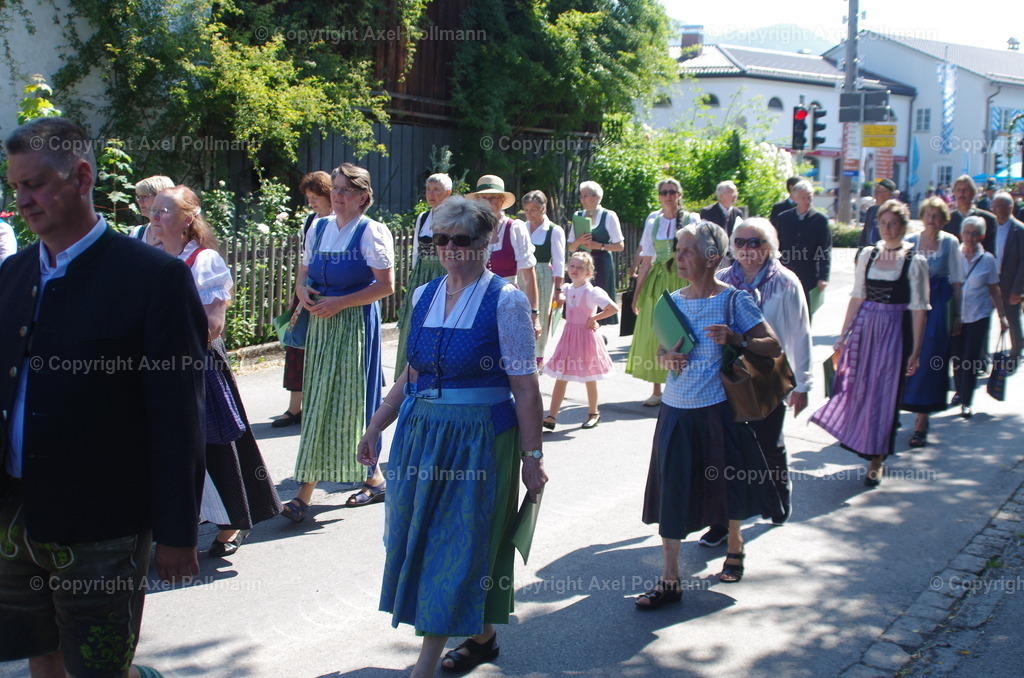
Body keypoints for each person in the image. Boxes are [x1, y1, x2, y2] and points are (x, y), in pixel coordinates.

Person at [0, 117, 206, 677]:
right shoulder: (12, 274)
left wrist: (178, 532)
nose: (22, 199)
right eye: (15, 186)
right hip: (14, 511)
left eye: (35, 184)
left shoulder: (153, 279)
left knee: (98, 669)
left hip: (103, 521)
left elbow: (177, 415)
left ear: (82, 177)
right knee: (39, 652)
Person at [356, 197, 547, 677]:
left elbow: (525, 387)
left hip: (479, 439)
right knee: (417, 536)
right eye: (440, 239)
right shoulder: (423, 295)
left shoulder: (506, 300)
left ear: (486, 243)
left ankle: (424, 665)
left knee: (457, 543)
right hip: (421, 434)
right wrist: (377, 424)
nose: (450, 248)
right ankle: (482, 637)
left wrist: (532, 456)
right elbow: (413, 372)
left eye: (461, 239)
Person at [637, 221, 783, 608]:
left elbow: (772, 345)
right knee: (672, 493)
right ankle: (670, 579)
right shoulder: (672, 301)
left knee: (726, 486)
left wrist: (737, 338)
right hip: (676, 410)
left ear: (712, 257)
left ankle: (735, 546)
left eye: (687, 250)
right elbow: (661, 352)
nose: (679, 256)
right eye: (678, 250)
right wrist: (667, 357)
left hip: (718, 410)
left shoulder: (734, 300)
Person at [149, 185, 282, 554]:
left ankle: (231, 524)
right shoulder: (153, 256)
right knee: (167, 448)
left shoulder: (203, 261)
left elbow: (212, 326)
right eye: (153, 209)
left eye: (164, 210)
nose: (154, 216)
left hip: (197, 363)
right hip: (159, 365)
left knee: (215, 444)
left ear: (188, 219)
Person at [281, 163, 395, 521]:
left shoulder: (371, 231)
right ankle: (370, 479)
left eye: (347, 190)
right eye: (336, 188)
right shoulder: (318, 227)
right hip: (321, 327)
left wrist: (341, 302)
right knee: (319, 402)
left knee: (352, 404)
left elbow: (386, 286)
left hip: (354, 325)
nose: (338, 195)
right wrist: (302, 291)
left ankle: (328, 487)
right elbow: (303, 274)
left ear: (363, 197)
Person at [811, 200, 929, 487]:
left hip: (894, 330)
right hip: (865, 327)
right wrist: (843, 336)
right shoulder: (868, 254)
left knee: (885, 393)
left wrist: (915, 351)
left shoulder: (915, 260)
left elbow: (919, 309)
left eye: (893, 223)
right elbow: (857, 296)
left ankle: (877, 459)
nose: (887, 229)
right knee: (860, 388)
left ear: (903, 226)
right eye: (883, 223)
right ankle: (862, 439)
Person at [715, 217, 813, 526]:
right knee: (729, 447)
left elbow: (800, 333)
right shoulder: (721, 279)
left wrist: (802, 384)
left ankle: (778, 498)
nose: (746, 249)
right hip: (728, 375)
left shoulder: (786, 282)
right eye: (740, 242)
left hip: (769, 374)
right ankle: (727, 519)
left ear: (769, 246)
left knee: (769, 444)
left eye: (754, 242)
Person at [627, 178, 698, 407]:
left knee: (683, 333)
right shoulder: (653, 222)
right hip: (658, 282)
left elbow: (699, 254)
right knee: (655, 333)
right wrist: (636, 294)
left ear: (679, 195)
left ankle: (681, 385)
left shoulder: (691, 220)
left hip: (683, 279)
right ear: (659, 196)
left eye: (672, 192)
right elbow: (646, 262)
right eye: (664, 192)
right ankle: (657, 389)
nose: (668, 196)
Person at [901, 197, 964, 446]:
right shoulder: (911, 241)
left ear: (944, 219)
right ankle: (898, 409)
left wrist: (957, 315)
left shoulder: (950, 242)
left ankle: (922, 420)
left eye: (937, 216)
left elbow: (957, 281)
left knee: (930, 360)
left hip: (938, 307)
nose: (932, 220)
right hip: (911, 304)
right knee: (905, 356)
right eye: (928, 214)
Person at [273, 170, 334, 428]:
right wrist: (298, 291)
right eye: (308, 197)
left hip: (330, 294)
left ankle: (322, 407)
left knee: (326, 350)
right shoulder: (310, 221)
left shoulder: (341, 220)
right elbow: (305, 261)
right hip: (306, 291)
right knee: (297, 348)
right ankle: (294, 408)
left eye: (315, 196)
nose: (311, 202)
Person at [542, 252, 618, 430]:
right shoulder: (566, 288)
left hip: (585, 338)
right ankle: (552, 416)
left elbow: (613, 308)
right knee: (561, 375)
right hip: (569, 337)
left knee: (589, 376)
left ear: (588, 273)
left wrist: (594, 319)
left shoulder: (592, 292)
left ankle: (594, 413)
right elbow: (557, 302)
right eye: (572, 266)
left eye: (580, 268)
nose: (575, 270)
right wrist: (558, 300)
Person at [467, 174, 542, 339]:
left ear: (502, 200)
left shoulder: (515, 228)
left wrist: (534, 315)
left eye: (493, 198)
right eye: (483, 198)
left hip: (507, 301)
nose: (487, 202)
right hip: (476, 303)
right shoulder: (470, 229)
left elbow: (528, 277)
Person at [394, 173, 452, 379]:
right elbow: (416, 251)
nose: (430, 194)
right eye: (428, 189)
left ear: (448, 193)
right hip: (422, 274)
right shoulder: (423, 218)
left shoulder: (453, 217)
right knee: (415, 320)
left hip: (443, 272)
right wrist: (414, 277)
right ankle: (407, 374)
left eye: (436, 190)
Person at [952, 216, 1008, 417]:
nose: (970, 237)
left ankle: (967, 401)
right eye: (967, 232)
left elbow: (994, 289)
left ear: (982, 237)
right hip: (956, 315)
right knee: (957, 357)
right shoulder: (954, 255)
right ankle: (959, 391)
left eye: (975, 233)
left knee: (971, 357)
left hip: (979, 315)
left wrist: (1002, 316)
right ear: (961, 234)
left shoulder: (988, 260)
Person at [567, 180, 625, 326]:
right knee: (580, 302)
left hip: (601, 263)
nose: (582, 199)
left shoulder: (609, 216)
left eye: (586, 196)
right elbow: (571, 248)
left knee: (600, 300)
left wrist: (598, 246)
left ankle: (597, 332)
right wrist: (579, 241)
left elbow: (620, 246)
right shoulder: (578, 216)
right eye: (581, 196)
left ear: (597, 197)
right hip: (581, 264)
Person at [519, 190, 565, 364]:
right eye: (527, 210)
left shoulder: (554, 230)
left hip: (543, 274)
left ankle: (537, 357)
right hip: (522, 273)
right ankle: (521, 352)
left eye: (534, 209)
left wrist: (558, 289)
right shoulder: (521, 227)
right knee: (520, 312)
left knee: (541, 314)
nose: (529, 213)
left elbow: (559, 262)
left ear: (543, 208)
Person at [775, 179, 832, 308]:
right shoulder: (784, 218)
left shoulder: (820, 220)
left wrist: (823, 277)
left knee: (806, 310)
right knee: (785, 309)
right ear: (795, 198)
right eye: (803, 198)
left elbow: (825, 250)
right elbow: (777, 246)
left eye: (809, 198)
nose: (807, 201)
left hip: (809, 274)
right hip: (786, 271)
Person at [991, 191, 1024, 360]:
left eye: (1001, 206)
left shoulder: (1019, 230)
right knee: (985, 317)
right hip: (990, 281)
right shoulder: (991, 227)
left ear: (1010, 208)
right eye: (995, 206)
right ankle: (982, 355)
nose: (997, 210)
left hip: (1010, 282)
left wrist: (1018, 290)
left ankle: (1016, 352)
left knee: (1013, 318)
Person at [946, 175, 996, 252]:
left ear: (973, 192)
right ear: (954, 193)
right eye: (958, 190)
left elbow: (991, 249)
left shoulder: (989, 219)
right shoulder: (947, 220)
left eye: (965, 190)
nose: (962, 193)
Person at [129, 175, 174, 246]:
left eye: (144, 196)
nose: (140, 201)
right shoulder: (137, 233)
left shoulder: (179, 235)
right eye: (138, 197)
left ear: (161, 197)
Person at [857, 178, 897, 247]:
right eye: (875, 192)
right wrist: (860, 250)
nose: (875, 196)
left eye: (878, 192)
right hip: (870, 250)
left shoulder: (896, 212)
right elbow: (865, 234)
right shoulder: (872, 210)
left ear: (888, 194)